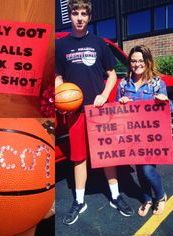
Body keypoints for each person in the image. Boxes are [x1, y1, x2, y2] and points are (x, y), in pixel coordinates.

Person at [55, 0, 134, 225]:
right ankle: (79, 201)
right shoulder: (61, 46)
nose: (79, 17)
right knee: (78, 157)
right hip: (75, 112)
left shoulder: (99, 43)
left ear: (89, 17)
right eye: (75, 13)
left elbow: (112, 75)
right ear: (70, 16)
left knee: (107, 154)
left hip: (99, 110)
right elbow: (58, 76)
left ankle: (115, 196)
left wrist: (104, 95)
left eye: (83, 14)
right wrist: (61, 94)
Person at [116, 45, 169, 216]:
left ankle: (160, 196)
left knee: (147, 169)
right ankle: (147, 199)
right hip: (132, 136)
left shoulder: (157, 83)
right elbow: (115, 110)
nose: (137, 64)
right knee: (139, 170)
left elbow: (168, 109)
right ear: (129, 62)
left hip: (151, 136)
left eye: (140, 60)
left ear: (147, 62)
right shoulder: (123, 84)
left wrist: (165, 101)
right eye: (133, 61)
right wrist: (121, 102)